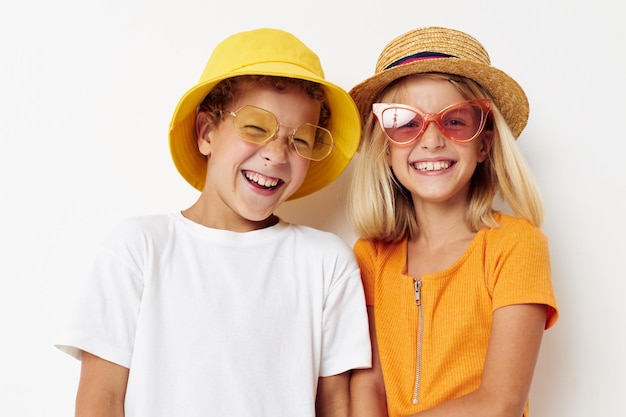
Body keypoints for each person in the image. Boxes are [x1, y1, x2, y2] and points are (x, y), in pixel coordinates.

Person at [55, 28, 371, 417]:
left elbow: (334, 404)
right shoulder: (140, 247)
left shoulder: (326, 261)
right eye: (256, 127)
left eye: (301, 140)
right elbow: (100, 399)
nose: (276, 154)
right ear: (207, 132)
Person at [346, 26, 559, 417]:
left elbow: (500, 403)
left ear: (484, 143)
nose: (430, 140)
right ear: (384, 146)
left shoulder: (516, 245)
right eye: (406, 122)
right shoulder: (370, 255)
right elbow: (368, 383)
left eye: (455, 121)